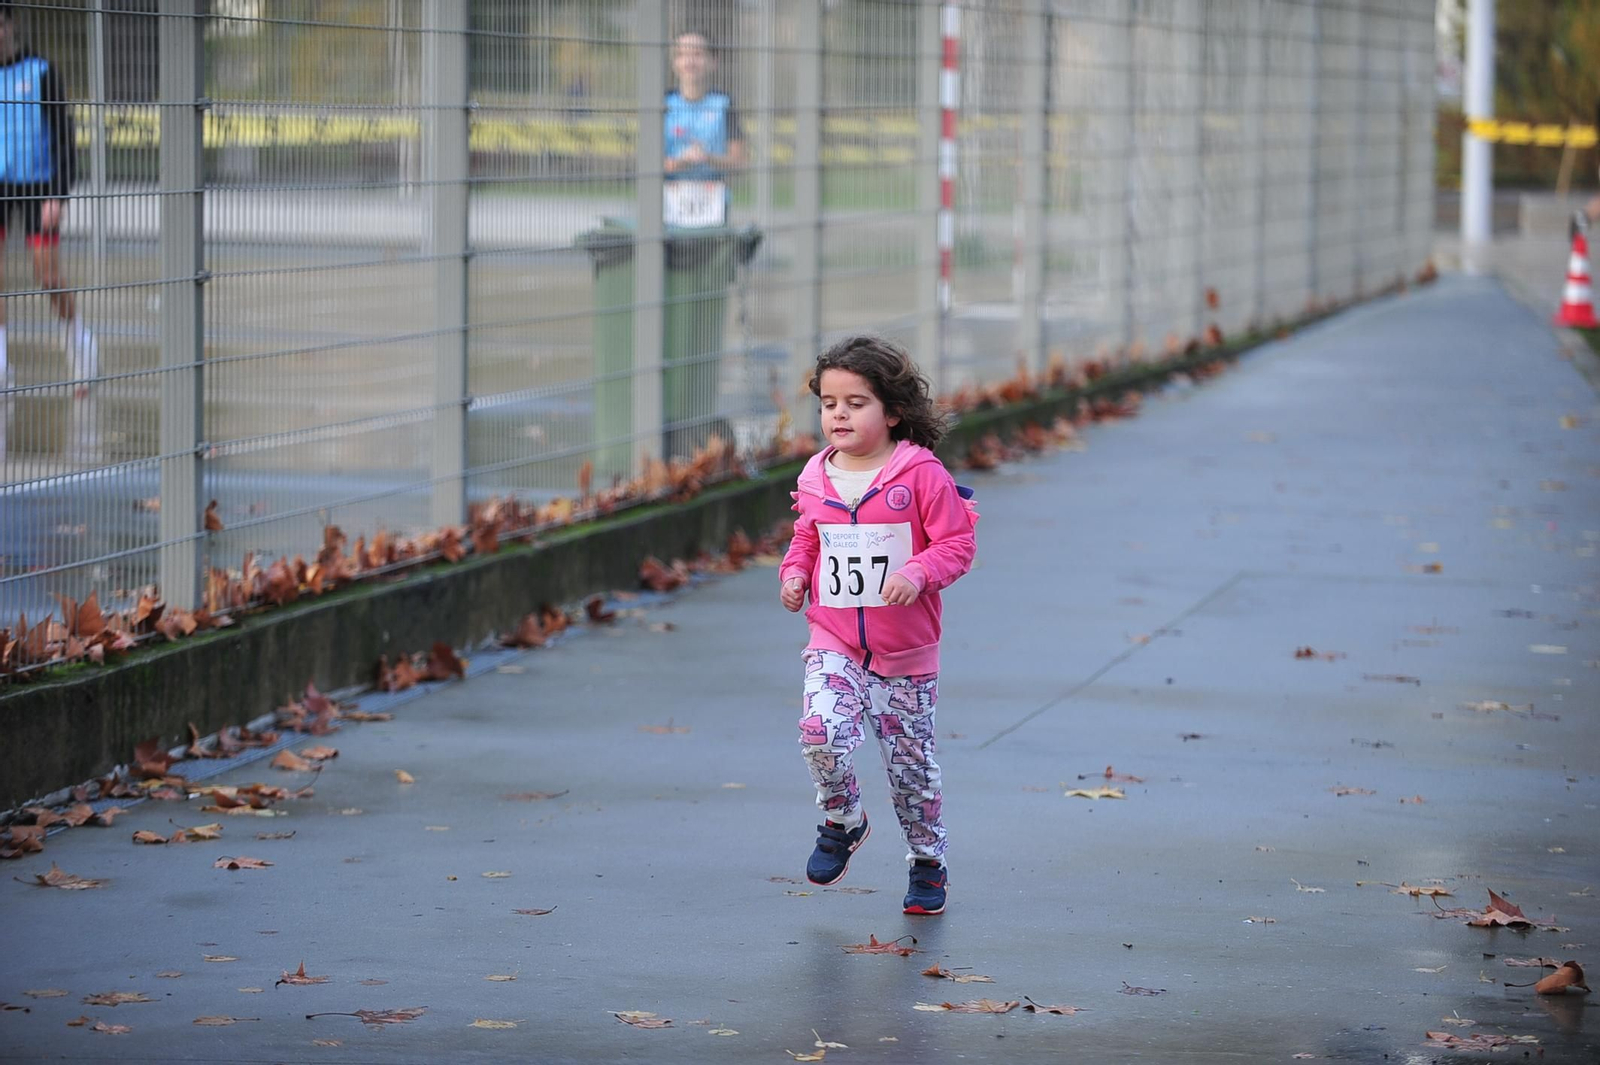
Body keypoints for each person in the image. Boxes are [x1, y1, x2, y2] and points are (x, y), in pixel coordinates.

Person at [778, 335, 978, 916]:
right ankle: (842, 817)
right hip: (834, 640)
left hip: (906, 653)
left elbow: (958, 543)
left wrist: (918, 571)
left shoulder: (919, 474)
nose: (838, 414)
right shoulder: (816, 477)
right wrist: (795, 575)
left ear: (892, 412)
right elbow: (807, 540)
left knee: (911, 772)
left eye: (856, 402)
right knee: (820, 732)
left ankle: (927, 862)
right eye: (828, 403)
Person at [0, 2, 95, 469]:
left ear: (10, 25)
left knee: (48, 277)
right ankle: (1, 366)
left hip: (39, 187)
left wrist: (59, 192)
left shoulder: (41, 72)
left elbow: (65, 136)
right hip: (0, 186)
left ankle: (80, 346)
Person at [663, 30, 745, 227]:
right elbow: (648, 164)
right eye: (683, 54)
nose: (690, 61)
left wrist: (707, 157)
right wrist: (682, 161)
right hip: (669, 202)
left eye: (698, 54)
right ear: (675, 63)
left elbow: (740, 161)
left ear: (713, 61)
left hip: (714, 203)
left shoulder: (724, 105)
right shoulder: (663, 104)